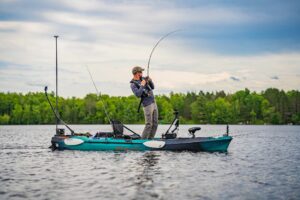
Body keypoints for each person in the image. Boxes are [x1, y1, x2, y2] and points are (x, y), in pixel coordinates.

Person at [130, 66, 158, 139]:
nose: (142, 74)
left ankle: (150, 140)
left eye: (142, 72)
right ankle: (142, 141)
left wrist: (150, 81)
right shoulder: (133, 84)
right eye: (140, 72)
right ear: (136, 73)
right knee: (149, 124)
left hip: (153, 102)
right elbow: (138, 94)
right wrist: (142, 85)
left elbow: (152, 87)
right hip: (147, 105)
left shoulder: (143, 79)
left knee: (155, 124)